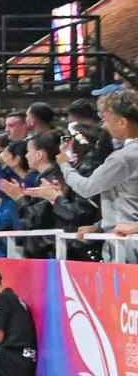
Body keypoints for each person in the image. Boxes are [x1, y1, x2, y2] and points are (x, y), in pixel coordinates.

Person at [56, 90, 138, 259]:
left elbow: (87, 188)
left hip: (127, 246)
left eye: (106, 120)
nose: (104, 126)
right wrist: (101, 225)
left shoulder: (123, 158)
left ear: (122, 122)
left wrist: (65, 165)